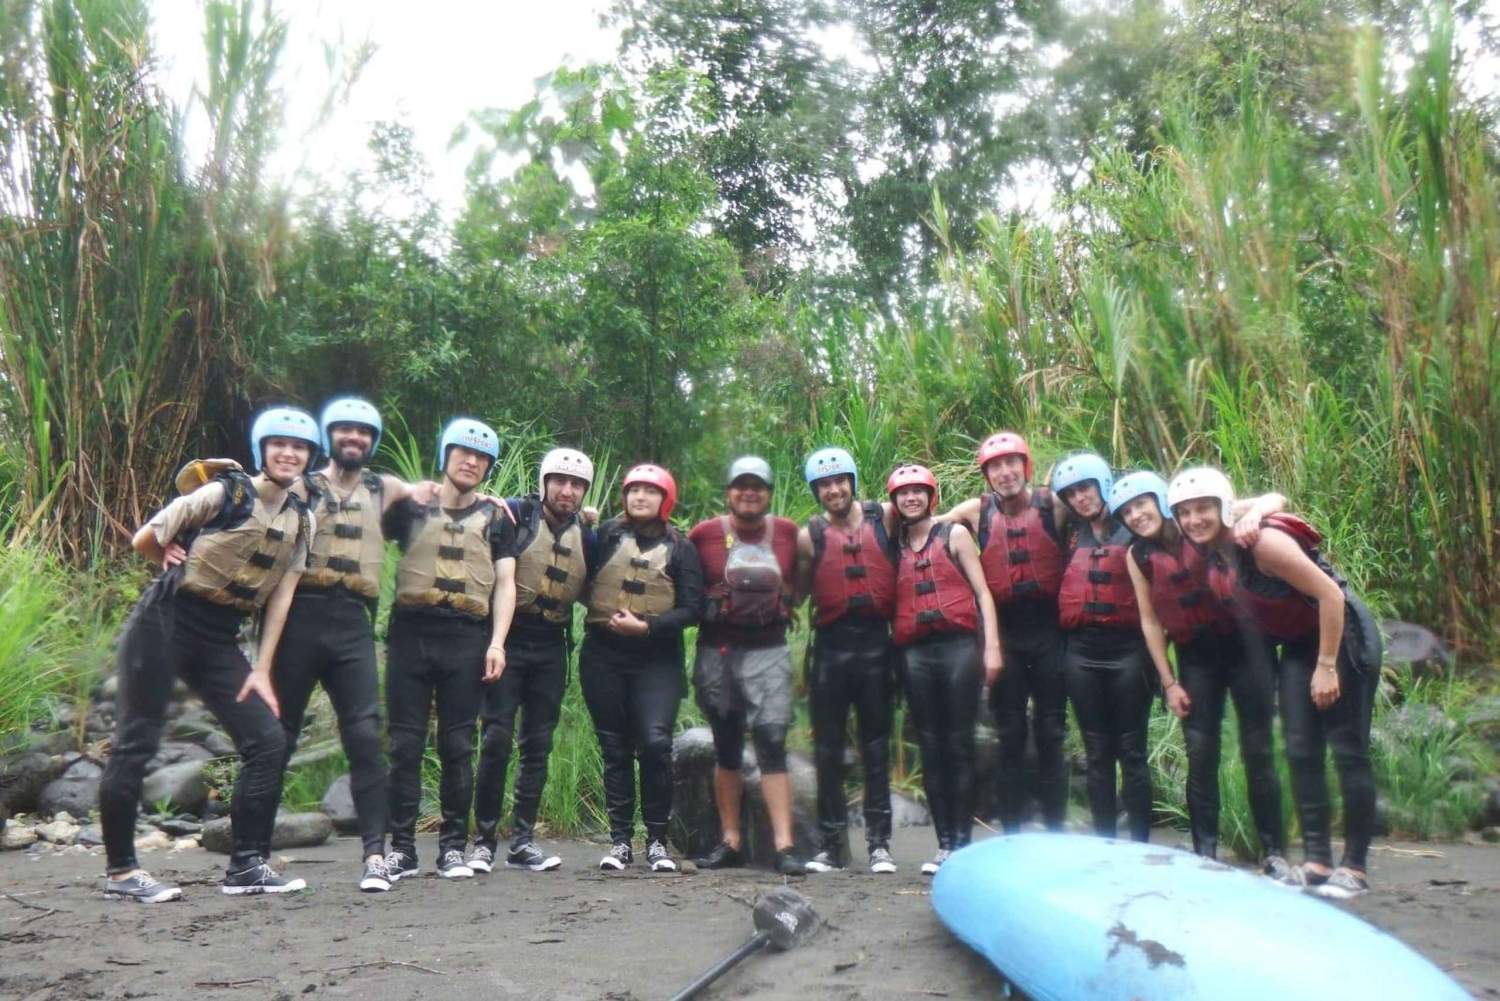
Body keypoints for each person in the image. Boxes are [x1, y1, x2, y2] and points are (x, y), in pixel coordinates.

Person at [99, 407, 320, 901]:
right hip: (166, 618)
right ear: (263, 449)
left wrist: (261, 668)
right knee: (137, 740)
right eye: (280, 444)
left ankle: (245, 866)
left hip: (221, 637)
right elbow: (144, 538)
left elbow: (282, 595)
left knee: (267, 741)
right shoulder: (225, 491)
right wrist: (165, 556)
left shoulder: (301, 520)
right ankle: (120, 872)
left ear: (309, 457)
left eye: (300, 447)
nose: (289, 453)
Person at [1178, 467, 1383, 899]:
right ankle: (1317, 860)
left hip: (1340, 635)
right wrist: (1263, 505)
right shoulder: (1213, 541)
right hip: (1297, 643)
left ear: (1222, 508)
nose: (1194, 519)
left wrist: (1326, 665)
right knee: (1300, 749)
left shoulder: (1263, 544)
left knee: (1347, 748)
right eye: (1185, 513)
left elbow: (1331, 596)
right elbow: (1271, 497)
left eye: (1203, 510)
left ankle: (1356, 868)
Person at [262, 397, 434, 893]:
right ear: (330, 436)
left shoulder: (384, 489)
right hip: (299, 617)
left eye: (363, 433)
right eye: (345, 431)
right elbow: (244, 504)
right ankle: (250, 853)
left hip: (353, 622)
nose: (354, 439)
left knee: (364, 736)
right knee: (279, 737)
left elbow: (438, 492)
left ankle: (375, 856)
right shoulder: (300, 485)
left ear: (371, 442)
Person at [1112, 471, 1290, 875]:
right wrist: (1169, 682)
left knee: (1258, 751)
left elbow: (1275, 496)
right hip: (1196, 659)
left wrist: (1255, 512)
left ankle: (1272, 852)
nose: (1136, 515)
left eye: (1141, 504)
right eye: (1126, 512)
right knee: (1201, 755)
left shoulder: (1201, 520)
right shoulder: (1137, 555)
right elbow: (1151, 621)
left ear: (1160, 500)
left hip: (1249, 650)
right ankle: (1205, 852)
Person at [381, 419, 517, 881]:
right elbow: (360, 513)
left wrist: (497, 642)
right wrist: (405, 487)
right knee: (404, 745)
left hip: (467, 636)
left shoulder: (498, 517)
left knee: (458, 745)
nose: (471, 461)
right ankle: (401, 848)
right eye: (463, 452)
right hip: (410, 635)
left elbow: (506, 584)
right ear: (446, 454)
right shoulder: (411, 507)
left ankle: (453, 848)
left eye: (481, 457)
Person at [470, 448, 597, 874]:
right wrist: (496, 643)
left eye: (577, 484)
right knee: (495, 740)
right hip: (510, 637)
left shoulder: (589, 534)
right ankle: (484, 842)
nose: (567, 490)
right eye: (559, 481)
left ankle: (522, 841)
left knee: (537, 745)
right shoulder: (515, 514)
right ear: (545, 483)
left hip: (552, 645)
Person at [937, 432, 1068, 833]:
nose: (1005, 472)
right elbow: (926, 527)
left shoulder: (1055, 504)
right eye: (996, 466)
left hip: (1050, 631)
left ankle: (1055, 827)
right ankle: (1011, 830)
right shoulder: (977, 511)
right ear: (987, 474)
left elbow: (1106, 505)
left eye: (1012, 463)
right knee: (1009, 732)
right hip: (1006, 634)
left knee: (1051, 731)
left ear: (1025, 467)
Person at [581, 464, 703, 872]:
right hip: (603, 655)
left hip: (657, 659)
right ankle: (620, 841)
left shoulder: (682, 548)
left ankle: (656, 841)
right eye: (634, 490)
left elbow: (691, 609)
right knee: (614, 747)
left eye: (650, 492)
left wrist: (646, 626)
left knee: (653, 743)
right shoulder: (604, 537)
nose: (640, 498)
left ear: (665, 500)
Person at [689, 457, 805, 875]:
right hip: (717, 653)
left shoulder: (790, 534)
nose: (749, 492)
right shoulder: (702, 535)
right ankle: (731, 841)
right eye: (741, 486)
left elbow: (805, 581)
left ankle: (785, 846)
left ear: (769, 492)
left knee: (772, 742)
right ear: (729, 492)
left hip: (769, 650)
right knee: (727, 746)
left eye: (757, 486)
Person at [887, 464, 1003, 876]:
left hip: (958, 648)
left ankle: (963, 842)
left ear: (931, 496)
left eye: (918, 492)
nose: (911, 498)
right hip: (915, 654)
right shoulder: (893, 544)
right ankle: (944, 844)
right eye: (903, 493)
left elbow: (983, 593)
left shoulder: (952, 534)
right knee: (931, 749)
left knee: (958, 744)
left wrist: (992, 648)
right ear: (895, 501)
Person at [793, 447, 899, 874]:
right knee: (828, 750)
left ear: (852, 482)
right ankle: (832, 846)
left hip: (877, 646)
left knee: (876, 748)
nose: (833, 490)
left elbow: (933, 519)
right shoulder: (810, 534)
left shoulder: (885, 516)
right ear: (816, 490)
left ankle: (880, 845)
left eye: (840, 481)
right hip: (831, 650)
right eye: (824, 484)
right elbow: (796, 592)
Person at [1052, 453, 1154, 842]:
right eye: (1072, 493)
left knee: (1131, 750)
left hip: (1129, 652)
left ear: (1104, 484)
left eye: (1086, 488)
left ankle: (1141, 844)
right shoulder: (1071, 531)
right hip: (1080, 654)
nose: (1081, 498)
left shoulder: (1135, 524)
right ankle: (1105, 842)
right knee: (1096, 753)